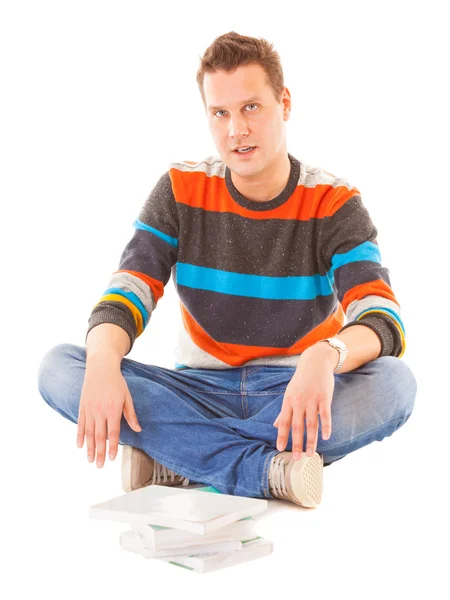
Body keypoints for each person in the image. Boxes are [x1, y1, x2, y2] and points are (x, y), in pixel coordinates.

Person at [37, 31, 417, 509]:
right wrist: (102, 362)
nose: (236, 129)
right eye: (221, 113)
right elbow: (128, 292)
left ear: (284, 103)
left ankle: (178, 457)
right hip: (197, 390)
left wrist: (325, 356)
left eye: (251, 108)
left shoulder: (334, 203)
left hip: (294, 391)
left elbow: (383, 317)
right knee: (63, 366)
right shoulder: (180, 189)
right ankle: (264, 469)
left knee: (396, 383)